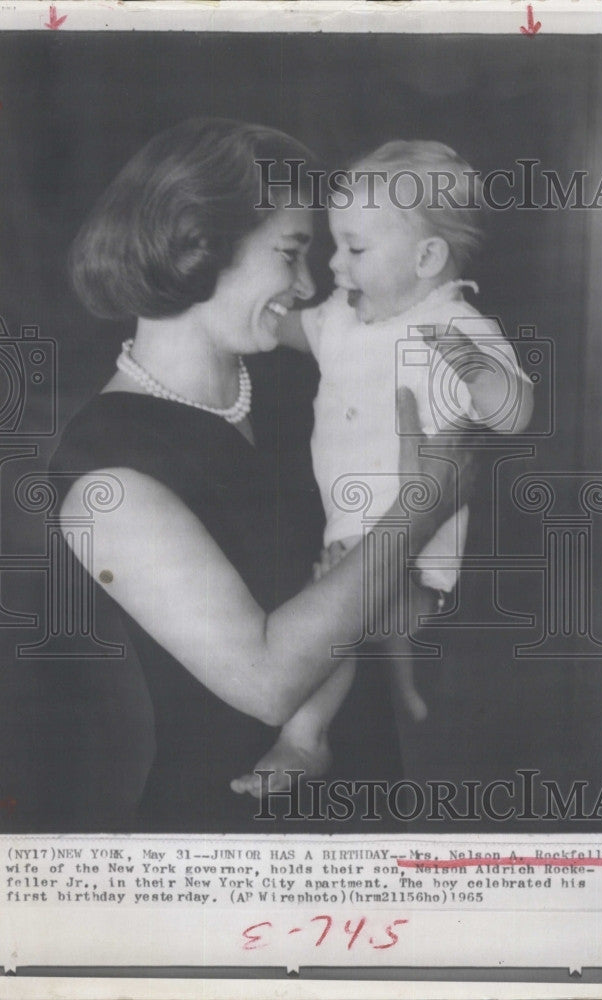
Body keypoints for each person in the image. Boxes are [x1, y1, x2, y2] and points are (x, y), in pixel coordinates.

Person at [50, 119, 474, 832]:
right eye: (291, 254)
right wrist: (424, 505)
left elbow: (402, 616)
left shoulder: (299, 392)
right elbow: (269, 682)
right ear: (199, 243)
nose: (309, 287)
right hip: (228, 833)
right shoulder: (106, 470)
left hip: (370, 810)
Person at [231, 140, 534, 799]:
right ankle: (404, 686)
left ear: (427, 259)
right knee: (365, 621)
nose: (335, 264)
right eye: (334, 245)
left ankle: (305, 737)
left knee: (334, 620)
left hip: (407, 537)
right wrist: (229, 303)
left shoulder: (454, 325)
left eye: (355, 249)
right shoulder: (343, 316)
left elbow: (514, 414)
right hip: (354, 519)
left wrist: (485, 381)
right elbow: (287, 332)